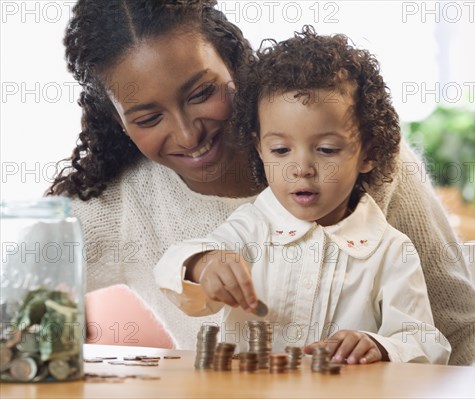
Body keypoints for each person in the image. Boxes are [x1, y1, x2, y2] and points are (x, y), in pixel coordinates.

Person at [47, 0, 475, 368]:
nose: (189, 134)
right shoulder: (120, 205)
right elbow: (19, 301)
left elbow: (463, 330)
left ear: (235, 63)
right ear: (118, 121)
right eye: (148, 117)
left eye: (202, 93)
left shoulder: (366, 165)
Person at [153, 26, 452, 365]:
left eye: (326, 149)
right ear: (259, 149)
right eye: (280, 150)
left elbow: (426, 344)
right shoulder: (252, 228)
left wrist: (380, 345)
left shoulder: (390, 251)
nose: (302, 168)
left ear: (368, 153)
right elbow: (171, 265)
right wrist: (201, 264)